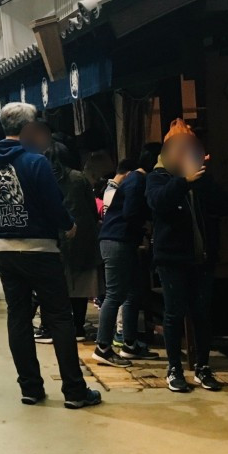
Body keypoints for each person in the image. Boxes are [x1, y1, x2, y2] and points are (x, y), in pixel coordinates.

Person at [0, 102, 102, 410]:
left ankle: (30, 388)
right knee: (59, 317)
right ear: (29, 128)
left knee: (18, 317)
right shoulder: (36, 162)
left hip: (5, 250)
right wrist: (69, 225)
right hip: (41, 250)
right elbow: (53, 204)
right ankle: (74, 391)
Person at [146, 119, 228, 393]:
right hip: (172, 259)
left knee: (202, 313)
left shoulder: (203, 178)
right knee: (174, 313)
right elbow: (157, 202)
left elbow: (227, 205)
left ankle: (203, 367)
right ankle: (174, 368)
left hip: (203, 258)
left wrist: (202, 181)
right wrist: (184, 182)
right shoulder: (158, 177)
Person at [91, 155, 159, 367]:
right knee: (115, 294)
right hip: (117, 240)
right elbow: (131, 212)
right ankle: (102, 348)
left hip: (120, 240)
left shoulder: (133, 179)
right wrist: (144, 226)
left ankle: (129, 344)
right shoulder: (137, 179)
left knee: (132, 293)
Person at [44, 143, 101, 342]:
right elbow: (92, 209)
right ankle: (78, 328)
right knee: (80, 287)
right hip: (82, 238)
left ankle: (55, 327)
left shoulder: (44, 178)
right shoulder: (79, 177)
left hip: (54, 237)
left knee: (56, 286)